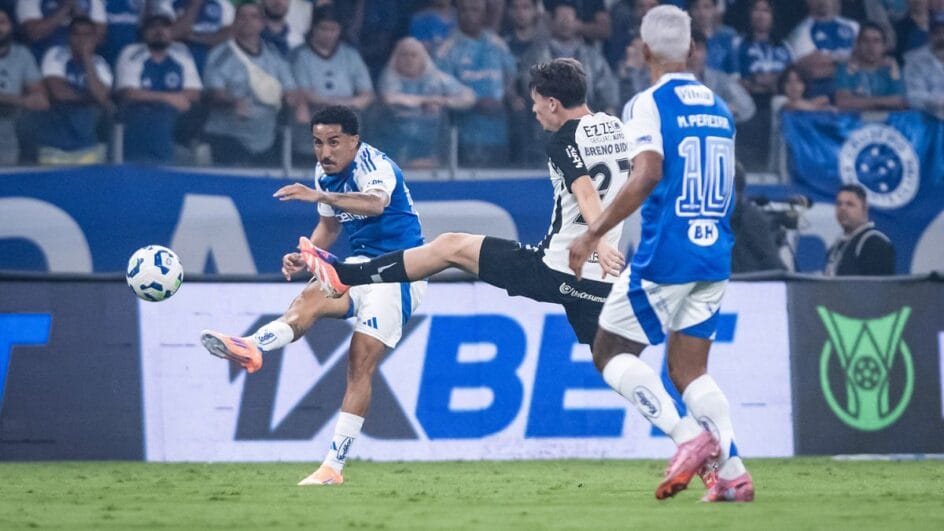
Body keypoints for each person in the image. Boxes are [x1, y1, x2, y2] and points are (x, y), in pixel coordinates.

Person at [304, 58, 629, 352]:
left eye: (537, 103)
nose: (534, 110)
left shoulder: (562, 141)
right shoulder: (616, 128)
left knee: (450, 246)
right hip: (602, 279)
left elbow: (585, 191)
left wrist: (596, 236)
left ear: (553, 103)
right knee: (616, 364)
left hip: (556, 269)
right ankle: (677, 416)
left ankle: (345, 274)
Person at [569, 5, 754, 502]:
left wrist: (592, 234)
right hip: (714, 251)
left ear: (644, 50)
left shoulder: (647, 104)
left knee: (609, 352)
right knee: (689, 371)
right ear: (692, 50)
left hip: (668, 252)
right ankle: (733, 473)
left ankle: (690, 440)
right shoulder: (719, 107)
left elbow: (647, 172)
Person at [200, 105, 427, 487]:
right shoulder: (325, 173)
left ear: (355, 141)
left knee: (359, 363)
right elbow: (328, 227)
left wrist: (317, 194)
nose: (325, 152)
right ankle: (253, 346)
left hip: (399, 272)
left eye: (335, 142)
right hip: (359, 265)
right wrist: (303, 255)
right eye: (319, 142)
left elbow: (374, 204)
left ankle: (332, 468)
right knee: (309, 299)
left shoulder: (376, 166)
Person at [202, 2, 306, 165]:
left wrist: (297, 104)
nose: (247, 21)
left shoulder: (274, 55)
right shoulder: (219, 55)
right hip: (227, 138)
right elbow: (215, 93)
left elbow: (290, 90)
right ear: (234, 22)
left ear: (262, 23)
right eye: (242, 17)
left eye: (253, 17)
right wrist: (233, 102)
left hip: (266, 140)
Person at [436, 0, 516, 166]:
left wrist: (509, 97)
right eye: (464, 10)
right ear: (457, 14)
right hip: (463, 136)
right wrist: (475, 103)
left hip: (498, 133)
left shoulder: (498, 45)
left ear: (485, 14)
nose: (469, 15)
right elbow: (441, 89)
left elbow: (511, 79)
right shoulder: (447, 49)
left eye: (475, 10)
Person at [115, 14, 202, 164]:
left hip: (172, 129)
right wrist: (169, 98)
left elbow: (194, 93)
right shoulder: (132, 51)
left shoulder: (181, 53)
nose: (159, 30)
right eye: (153, 27)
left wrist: (151, 96)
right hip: (137, 127)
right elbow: (128, 92)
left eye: (164, 26)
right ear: (144, 32)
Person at [377, 37, 475, 168]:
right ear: (396, 58)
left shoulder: (436, 78)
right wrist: (426, 100)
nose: (409, 60)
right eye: (404, 55)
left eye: (413, 55)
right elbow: (390, 98)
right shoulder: (389, 76)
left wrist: (444, 101)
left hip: (431, 147)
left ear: (422, 58)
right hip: (395, 146)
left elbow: (469, 97)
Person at [290, 5, 374, 157]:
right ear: (313, 28)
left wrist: (349, 104)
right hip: (313, 121)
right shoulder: (300, 56)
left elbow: (366, 94)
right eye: (323, 28)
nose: (328, 34)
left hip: (348, 121)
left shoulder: (351, 55)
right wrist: (336, 103)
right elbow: (304, 93)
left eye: (333, 29)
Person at [35, 16, 113, 164]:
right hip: (54, 146)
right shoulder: (56, 55)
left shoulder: (100, 64)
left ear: (94, 38)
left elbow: (101, 95)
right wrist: (90, 99)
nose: (81, 39)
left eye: (87, 35)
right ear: (69, 37)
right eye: (77, 34)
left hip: (88, 145)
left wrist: (86, 58)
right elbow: (58, 92)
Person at [0, 8, 49, 165]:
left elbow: (41, 100)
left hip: (9, 132)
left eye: (2, 22)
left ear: (11, 27)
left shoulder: (22, 54)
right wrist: (19, 101)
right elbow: (26, 101)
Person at [787, 0, 860, 99]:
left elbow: (872, 57)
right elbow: (811, 70)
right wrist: (848, 61)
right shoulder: (800, 34)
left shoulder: (854, 26)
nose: (823, 1)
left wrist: (830, 60)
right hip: (826, 93)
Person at [824, 183, 896, 276]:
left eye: (850, 204)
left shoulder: (875, 243)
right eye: (839, 204)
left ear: (865, 208)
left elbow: (879, 287)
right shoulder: (836, 246)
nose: (842, 208)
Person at [835, 22, 908, 111]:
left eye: (876, 41)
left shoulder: (892, 69)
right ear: (857, 45)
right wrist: (883, 101)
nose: (871, 46)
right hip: (854, 121)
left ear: (884, 46)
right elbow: (843, 102)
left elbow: (899, 101)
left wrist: (859, 102)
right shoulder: (846, 69)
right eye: (865, 41)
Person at [688, 31, 757, 122]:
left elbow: (746, 106)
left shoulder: (720, 78)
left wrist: (719, 110)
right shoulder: (670, 80)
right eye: (690, 50)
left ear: (707, 52)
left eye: (699, 49)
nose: (695, 55)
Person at [17, 0, 106, 59]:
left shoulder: (93, 1)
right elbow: (34, 34)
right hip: (40, 60)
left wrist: (76, 7)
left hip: (79, 62)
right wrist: (65, 8)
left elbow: (99, 38)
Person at [903, 11, 944, 119]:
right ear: (929, 34)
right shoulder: (914, 59)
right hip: (927, 122)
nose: (942, 37)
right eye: (937, 32)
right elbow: (913, 96)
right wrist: (938, 101)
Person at [689, 0, 741, 75]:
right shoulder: (684, 38)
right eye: (696, 7)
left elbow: (734, 72)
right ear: (690, 10)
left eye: (706, 7)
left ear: (715, 9)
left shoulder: (728, 36)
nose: (702, 13)